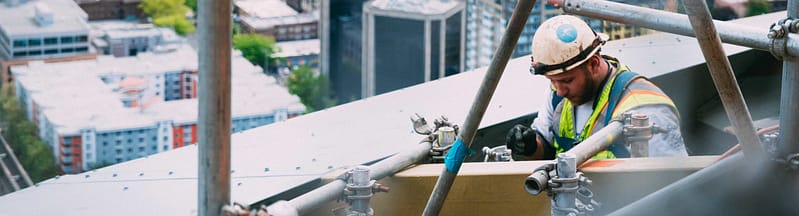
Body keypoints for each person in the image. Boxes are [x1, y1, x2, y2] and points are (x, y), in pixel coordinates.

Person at [505, 15, 688, 160]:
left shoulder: (644, 107)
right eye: (553, 81)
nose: (560, 90)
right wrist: (529, 146)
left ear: (593, 64)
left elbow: (669, 183)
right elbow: (546, 148)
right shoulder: (558, 93)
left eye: (567, 81)